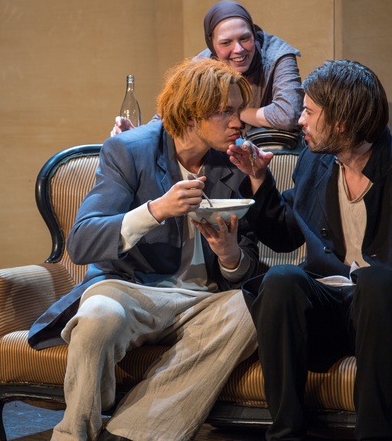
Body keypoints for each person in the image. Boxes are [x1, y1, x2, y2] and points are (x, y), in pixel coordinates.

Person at [227, 59, 392, 440]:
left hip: (388, 317)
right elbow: (286, 233)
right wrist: (259, 179)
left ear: (341, 122)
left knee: (375, 282)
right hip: (329, 311)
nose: (300, 121)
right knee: (280, 279)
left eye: (309, 112)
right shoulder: (314, 163)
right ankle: (285, 433)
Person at [29, 58, 261, 441]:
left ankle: (133, 433)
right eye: (226, 111)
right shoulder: (130, 150)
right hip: (130, 288)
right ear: (191, 112)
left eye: (240, 110)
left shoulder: (235, 161)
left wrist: (229, 255)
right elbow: (82, 241)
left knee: (251, 311)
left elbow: (247, 265)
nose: (240, 122)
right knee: (98, 317)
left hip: (201, 300)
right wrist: (155, 210)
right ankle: (74, 434)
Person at [112, 0, 303, 136]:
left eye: (245, 38)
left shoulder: (279, 55)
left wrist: (232, 111)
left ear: (254, 34)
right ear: (212, 45)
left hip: (273, 154)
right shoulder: (202, 65)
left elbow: (287, 115)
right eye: (226, 43)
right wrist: (136, 136)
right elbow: (169, 116)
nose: (238, 49)